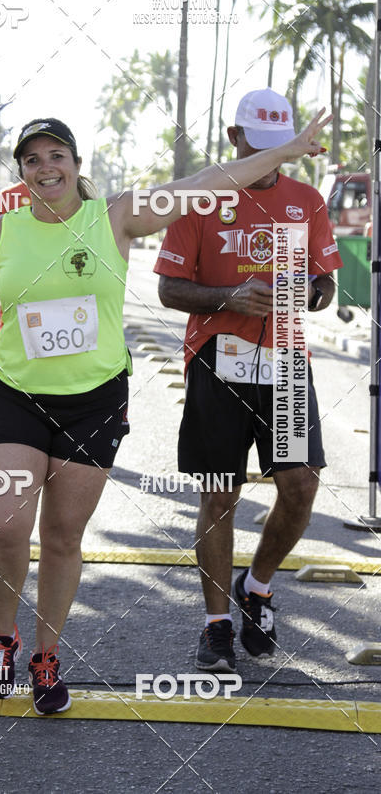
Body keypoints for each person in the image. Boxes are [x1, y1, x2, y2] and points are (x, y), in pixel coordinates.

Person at [0, 111, 329, 713]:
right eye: (33, 160)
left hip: (95, 402)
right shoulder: (2, 233)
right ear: (22, 172)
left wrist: (285, 152)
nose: (46, 168)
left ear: (75, 163)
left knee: (64, 536)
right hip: (18, 395)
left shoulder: (116, 215)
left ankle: (46, 658)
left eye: (56, 156)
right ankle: (1, 638)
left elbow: (211, 180)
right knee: (9, 530)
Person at [154, 88, 342, 673]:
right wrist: (228, 296)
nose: (272, 161)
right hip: (217, 361)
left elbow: (326, 287)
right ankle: (215, 627)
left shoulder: (306, 200)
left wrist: (307, 291)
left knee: (300, 488)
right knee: (219, 494)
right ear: (234, 138)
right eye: (260, 147)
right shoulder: (200, 200)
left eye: (281, 150)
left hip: (285, 362)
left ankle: (256, 587)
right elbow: (168, 288)